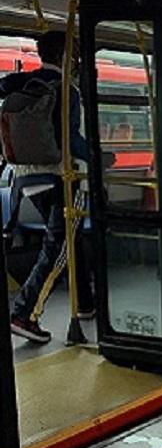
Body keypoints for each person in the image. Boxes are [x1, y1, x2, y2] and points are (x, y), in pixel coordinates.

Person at [1, 30, 95, 343]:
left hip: (26, 176)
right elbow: (72, 140)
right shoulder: (67, 89)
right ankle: (25, 313)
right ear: (66, 56)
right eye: (76, 53)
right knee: (60, 247)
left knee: (71, 237)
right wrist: (98, 160)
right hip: (61, 175)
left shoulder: (28, 84)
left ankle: (85, 303)